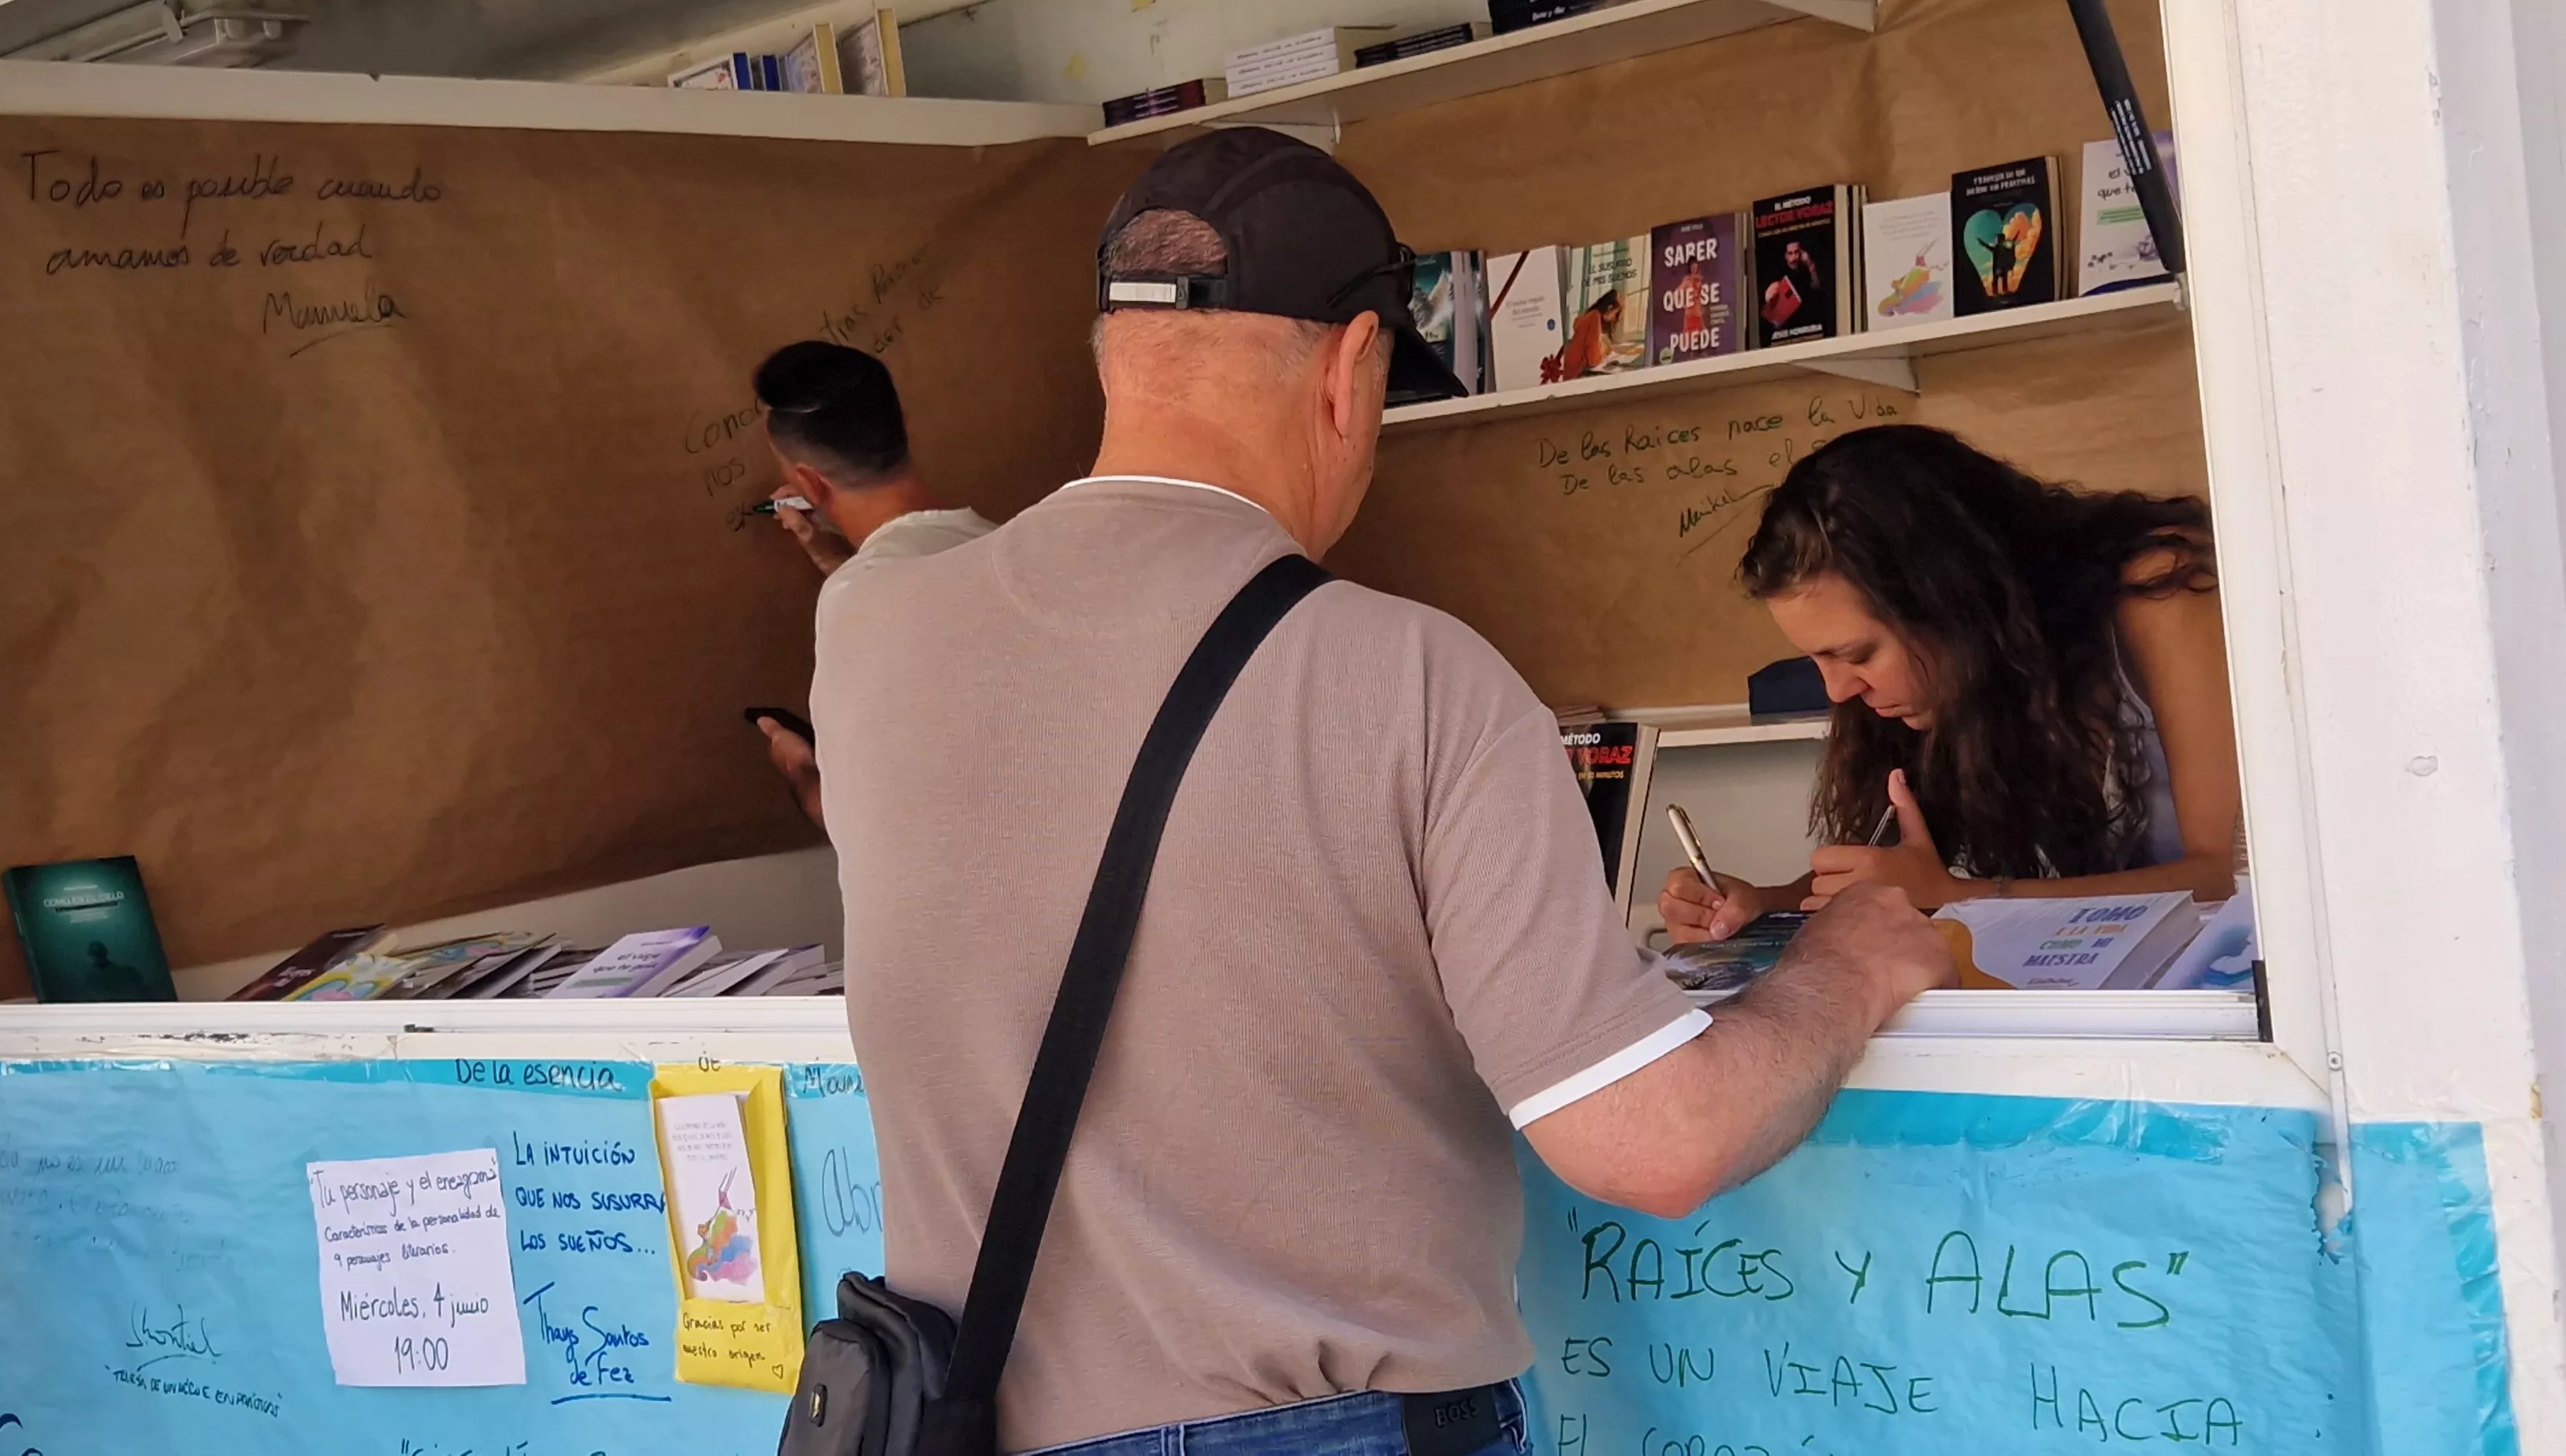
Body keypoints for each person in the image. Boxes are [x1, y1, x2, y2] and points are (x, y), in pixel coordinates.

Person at [812, 127, 1952, 1456]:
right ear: (1355, 368)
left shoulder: (872, 628)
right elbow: (1655, 1142)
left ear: (1114, 355)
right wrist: (1849, 964)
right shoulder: (1412, 673)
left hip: (972, 1413)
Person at [1660, 424, 2243, 942]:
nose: (1837, 691)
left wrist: (1959, 897)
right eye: (1817, 661)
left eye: (1857, 653)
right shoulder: (1965, 680)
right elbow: (1902, 872)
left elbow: (2224, 876)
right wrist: (1764, 904)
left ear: (1952, 601)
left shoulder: (2162, 589)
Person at [743, 340, 995, 823]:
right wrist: (826, 552)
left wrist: (800, 770)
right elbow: (915, 615)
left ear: (810, 485)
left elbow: (855, 816)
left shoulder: (859, 602)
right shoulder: (998, 542)